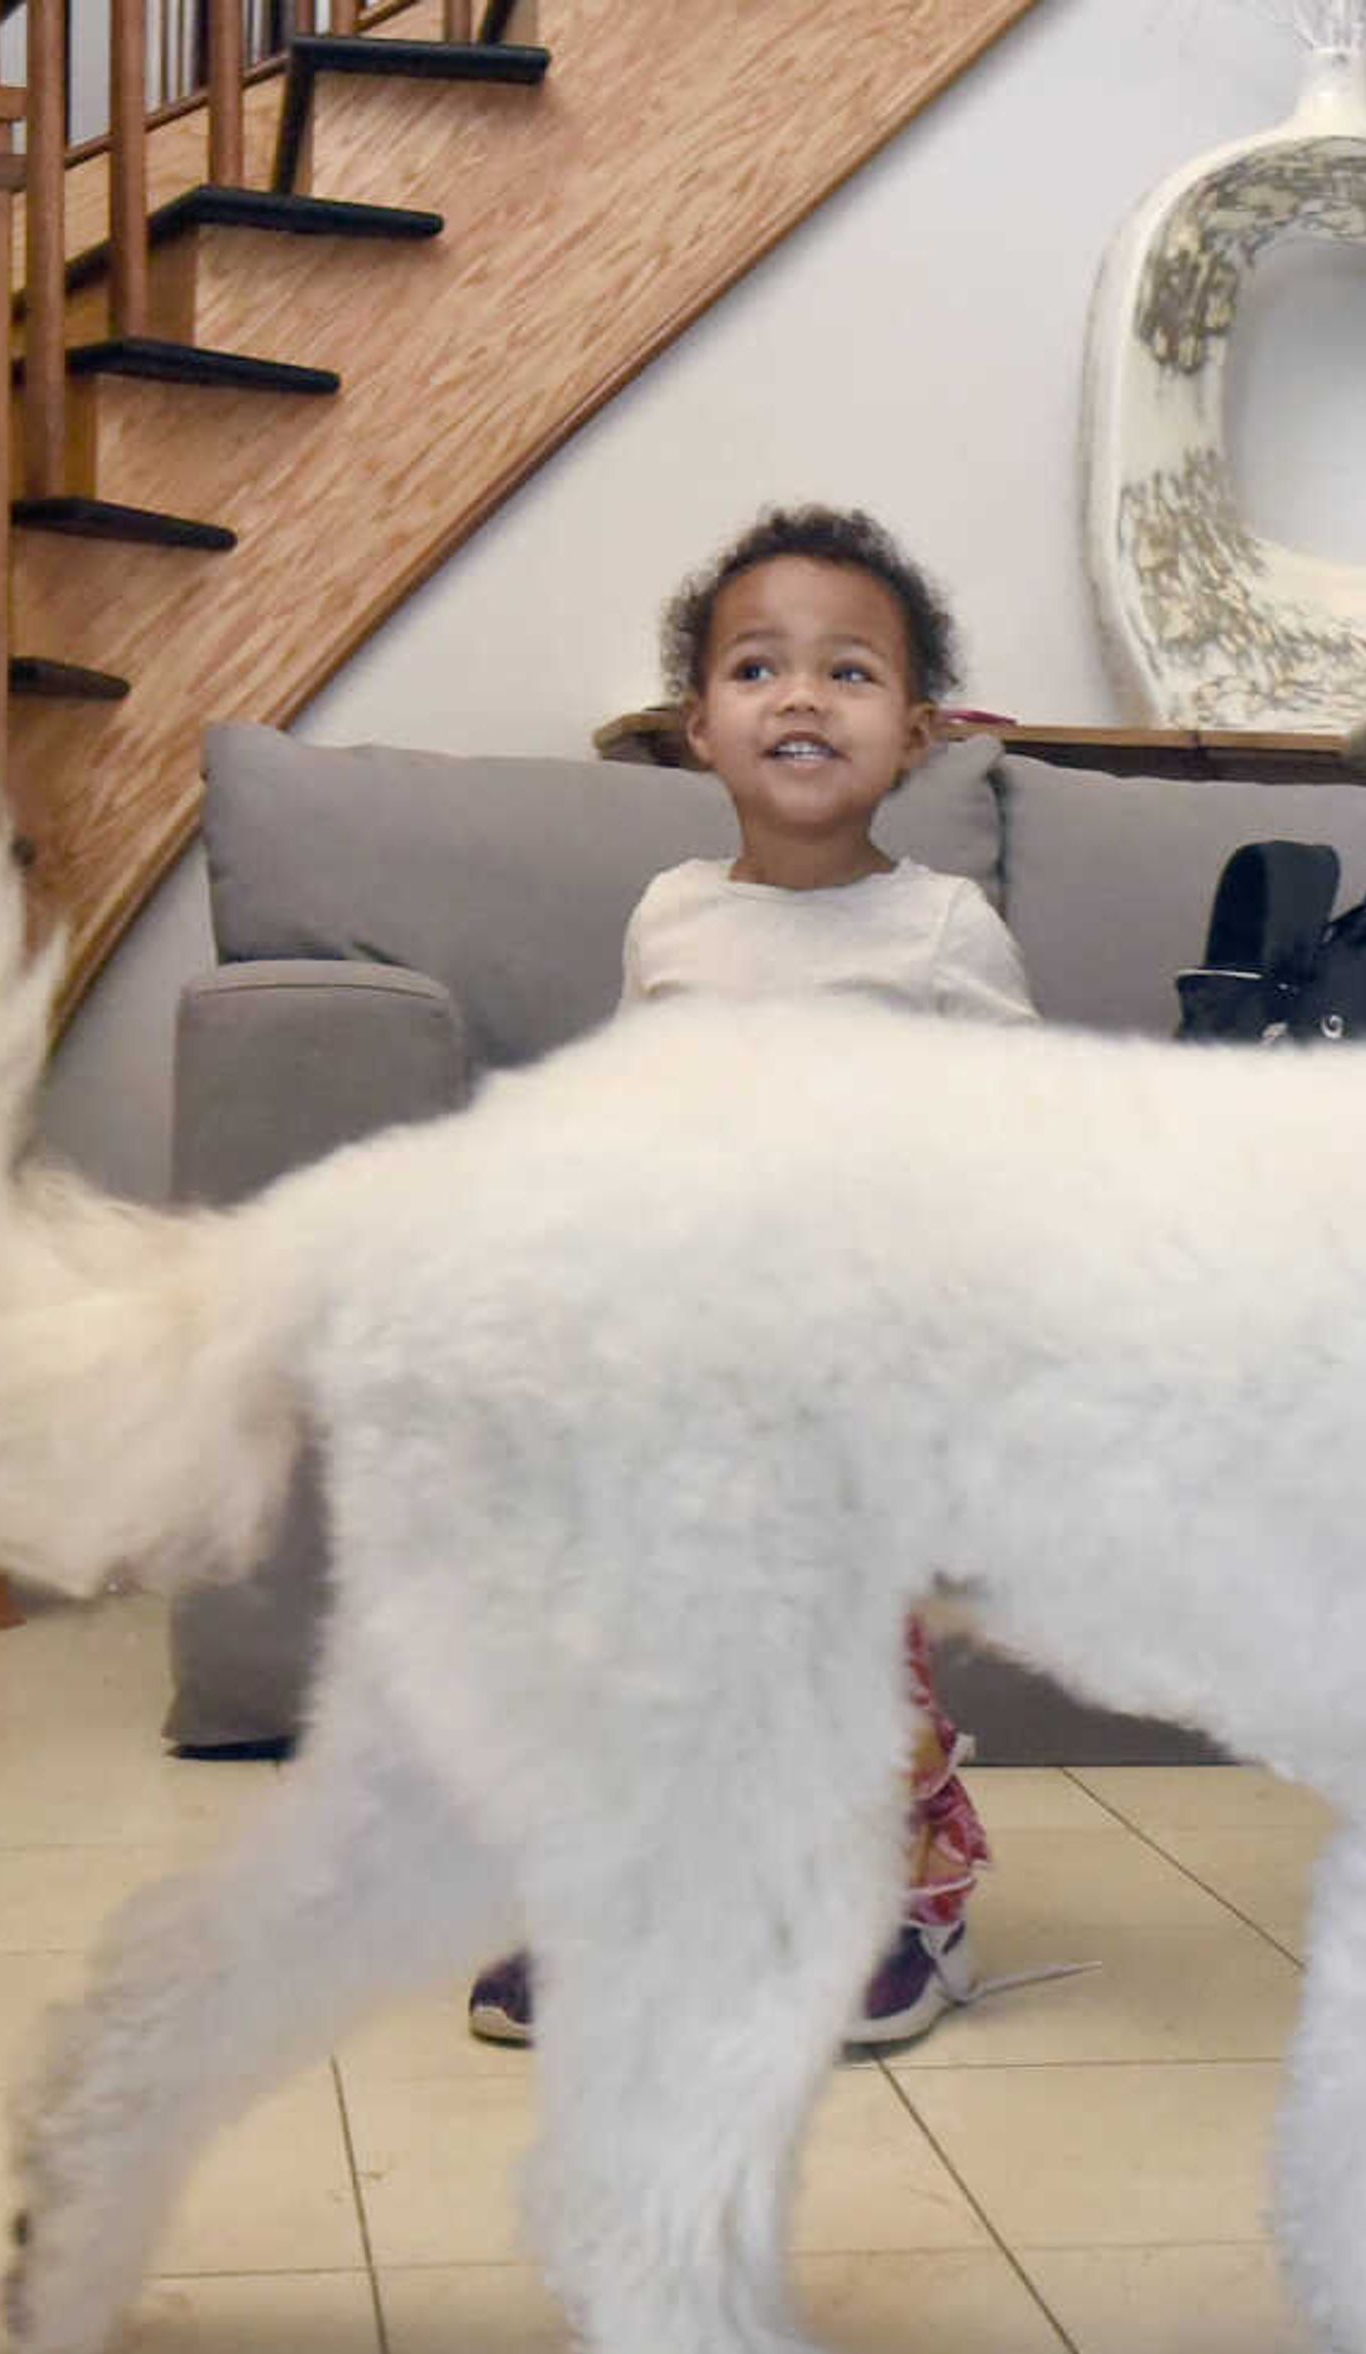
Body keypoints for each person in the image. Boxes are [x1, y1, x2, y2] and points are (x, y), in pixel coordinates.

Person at [467, 503, 1019, 2053]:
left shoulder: (941, 930)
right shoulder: (673, 917)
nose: (799, 696)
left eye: (848, 674)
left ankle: (905, 1912)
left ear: (914, 734)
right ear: (697, 725)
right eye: (758, 667)